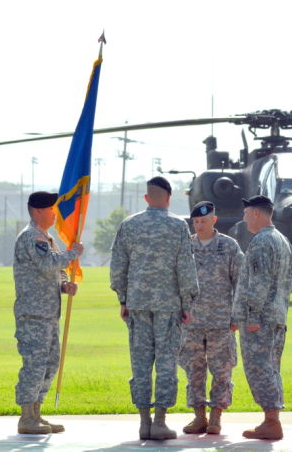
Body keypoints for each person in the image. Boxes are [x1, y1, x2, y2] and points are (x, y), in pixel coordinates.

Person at [110, 176, 199, 440]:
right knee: (166, 363)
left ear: (147, 198)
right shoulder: (177, 226)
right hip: (169, 306)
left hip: (137, 305)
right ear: (169, 198)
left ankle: (143, 421)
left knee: (140, 363)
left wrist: (123, 299)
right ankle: (160, 421)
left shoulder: (130, 224)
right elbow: (185, 267)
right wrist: (187, 303)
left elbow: (118, 265)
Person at [13, 191, 83, 434]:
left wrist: (64, 284)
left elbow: (54, 270)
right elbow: (48, 263)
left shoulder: (46, 237)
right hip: (33, 314)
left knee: (50, 363)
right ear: (38, 211)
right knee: (34, 364)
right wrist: (73, 253)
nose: (55, 213)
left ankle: (37, 412)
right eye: (51, 209)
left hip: (48, 313)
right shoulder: (33, 237)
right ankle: (26, 417)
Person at [231, 195, 292, 441]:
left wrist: (253, 316)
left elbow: (258, 283)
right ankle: (271, 419)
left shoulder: (261, 242)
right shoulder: (282, 240)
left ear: (256, 213)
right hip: (277, 316)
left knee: (259, 368)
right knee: (271, 368)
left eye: (246, 213)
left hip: (261, 319)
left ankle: (271, 421)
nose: (244, 218)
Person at [179, 201, 243, 435]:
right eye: (195, 222)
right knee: (193, 369)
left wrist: (237, 314)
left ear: (213, 221)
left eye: (203, 221)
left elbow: (240, 282)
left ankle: (216, 416)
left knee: (222, 370)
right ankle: (199, 417)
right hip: (191, 322)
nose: (199, 226)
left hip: (221, 322)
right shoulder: (185, 246)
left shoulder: (228, 246)